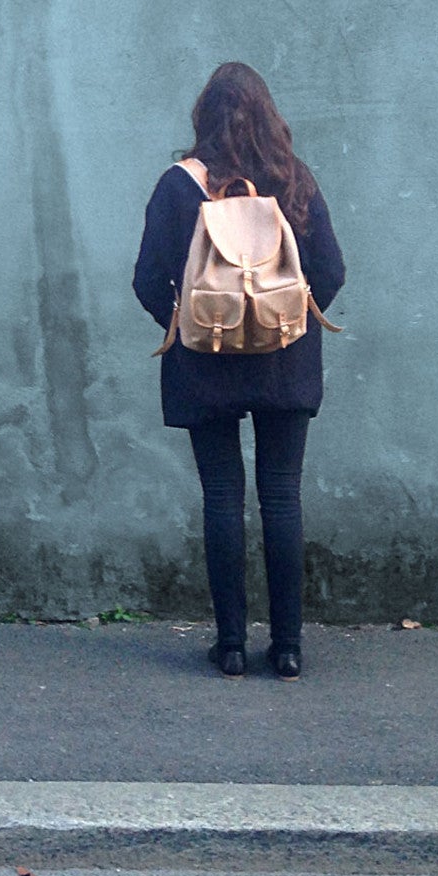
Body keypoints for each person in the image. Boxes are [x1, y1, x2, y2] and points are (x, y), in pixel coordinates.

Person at [132, 62, 346, 681]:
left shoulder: (179, 187)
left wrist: (196, 328)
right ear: (271, 117)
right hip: (286, 363)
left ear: (203, 118)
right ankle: (287, 649)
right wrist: (283, 328)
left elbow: (148, 280)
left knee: (222, 497)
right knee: (282, 496)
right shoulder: (294, 180)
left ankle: (229, 646)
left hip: (205, 362)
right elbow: (329, 272)